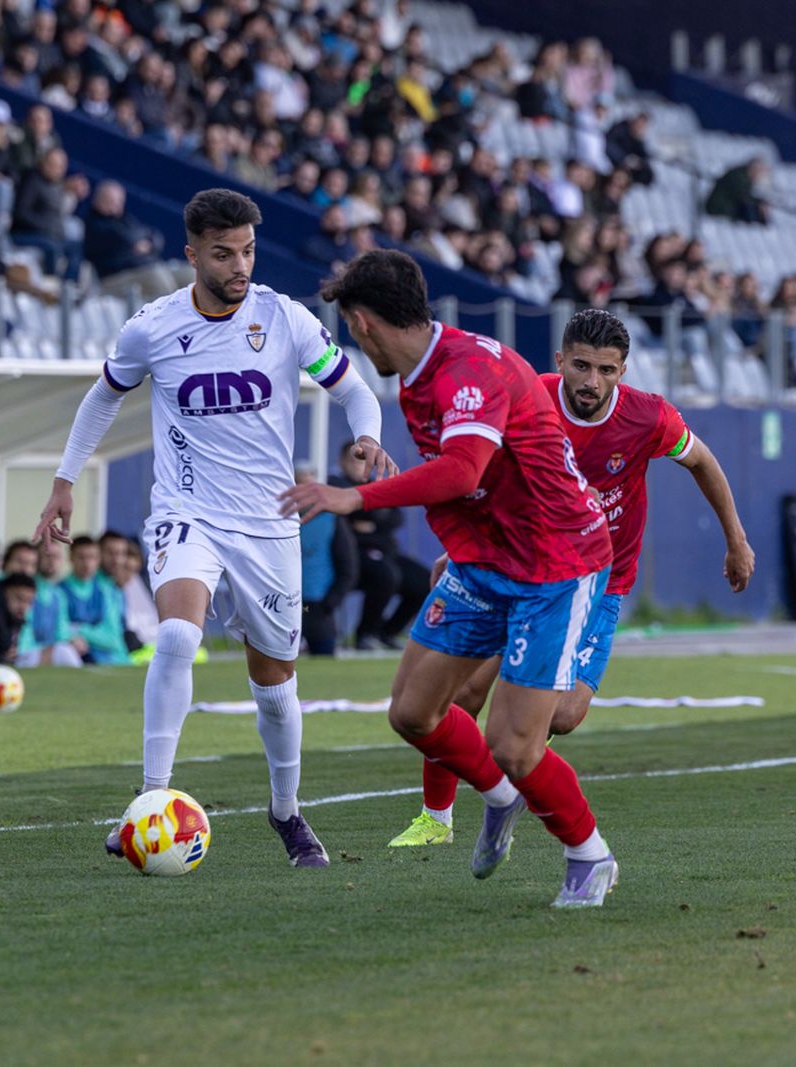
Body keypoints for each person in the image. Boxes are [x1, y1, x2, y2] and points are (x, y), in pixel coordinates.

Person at [35, 188, 393, 868]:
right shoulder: (153, 327)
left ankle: (286, 812)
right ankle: (148, 802)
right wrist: (64, 480)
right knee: (174, 634)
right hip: (187, 510)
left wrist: (367, 439)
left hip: (269, 521)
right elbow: (103, 395)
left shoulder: (284, 319)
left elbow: (350, 387)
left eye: (248, 251)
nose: (240, 265)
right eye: (224, 253)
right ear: (191, 252)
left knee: (276, 688)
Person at [282, 250, 617, 907]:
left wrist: (356, 498)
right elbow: (476, 479)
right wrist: (459, 544)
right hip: (485, 561)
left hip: (554, 563)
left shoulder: (467, 371)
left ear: (361, 322)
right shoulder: (419, 375)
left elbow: (464, 469)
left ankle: (590, 854)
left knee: (515, 744)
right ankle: (498, 796)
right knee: (412, 712)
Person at [388, 309, 755, 849]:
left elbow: (702, 461)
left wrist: (737, 539)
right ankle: (436, 820)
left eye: (607, 370)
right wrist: (458, 547)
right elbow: (484, 474)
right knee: (460, 693)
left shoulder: (648, 417)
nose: (592, 382)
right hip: (521, 569)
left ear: (623, 371)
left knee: (559, 717)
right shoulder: (528, 397)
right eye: (582, 366)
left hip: (599, 582)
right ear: (560, 361)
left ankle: (516, 787)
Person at [330, 443, 430, 650]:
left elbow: (394, 517)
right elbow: (362, 514)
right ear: (342, 462)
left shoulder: (379, 483)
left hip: (384, 551)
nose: (359, 468)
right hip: (352, 557)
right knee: (385, 575)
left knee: (424, 581)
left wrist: (369, 516)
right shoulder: (335, 484)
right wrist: (372, 511)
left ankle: (387, 633)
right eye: (354, 462)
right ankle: (365, 634)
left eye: (364, 463)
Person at [294, 462, 357, 656]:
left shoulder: (331, 520)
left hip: (318, 606)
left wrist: (331, 602)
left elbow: (348, 566)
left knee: (323, 658)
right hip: (284, 604)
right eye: (300, 483)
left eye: (310, 484)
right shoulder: (277, 519)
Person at [58, 535, 129, 665]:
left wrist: (77, 629)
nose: (87, 563)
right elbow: (59, 631)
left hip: (113, 660)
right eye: (81, 557)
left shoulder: (106, 592)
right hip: (77, 659)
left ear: (98, 560)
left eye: (91, 557)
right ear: (71, 558)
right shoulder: (60, 591)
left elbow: (112, 638)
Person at [16, 536, 83, 668]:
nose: (52, 561)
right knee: (63, 652)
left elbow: (62, 632)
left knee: (67, 650)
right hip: (23, 655)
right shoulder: (27, 590)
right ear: (36, 559)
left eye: (56, 557)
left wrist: (72, 639)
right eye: (47, 556)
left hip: (47, 653)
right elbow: (24, 634)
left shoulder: (58, 595)